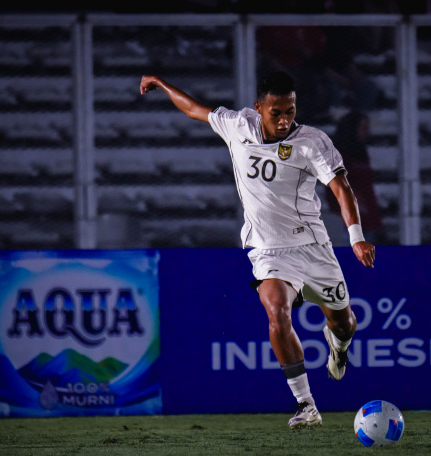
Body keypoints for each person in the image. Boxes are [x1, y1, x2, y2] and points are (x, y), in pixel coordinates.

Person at [139, 70, 376, 429]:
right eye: (276, 113)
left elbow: (341, 187)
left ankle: (338, 347)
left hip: (313, 247)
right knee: (276, 310)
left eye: (290, 111)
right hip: (268, 250)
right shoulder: (237, 125)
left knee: (343, 324)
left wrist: (356, 236)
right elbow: (193, 109)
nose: (284, 120)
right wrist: (160, 83)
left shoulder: (312, 142)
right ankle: (306, 404)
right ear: (258, 108)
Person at [325, 111, 384, 242]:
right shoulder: (338, 156)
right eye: (363, 127)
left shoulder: (361, 153)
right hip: (350, 216)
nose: (366, 132)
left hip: (367, 213)